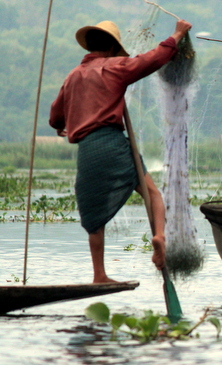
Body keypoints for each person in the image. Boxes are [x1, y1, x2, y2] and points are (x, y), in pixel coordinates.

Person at [49, 19, 193, 283]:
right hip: (113, 142)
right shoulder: (116, 67)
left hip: (88, 150)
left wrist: (61, 125)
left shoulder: (72, 76)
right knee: (152, 194)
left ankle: (99, 274)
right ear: (113, 48)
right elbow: (155, 58)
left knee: (93, 217)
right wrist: (177, 34)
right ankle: (159, 235)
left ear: (90, 47)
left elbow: (56, 115)